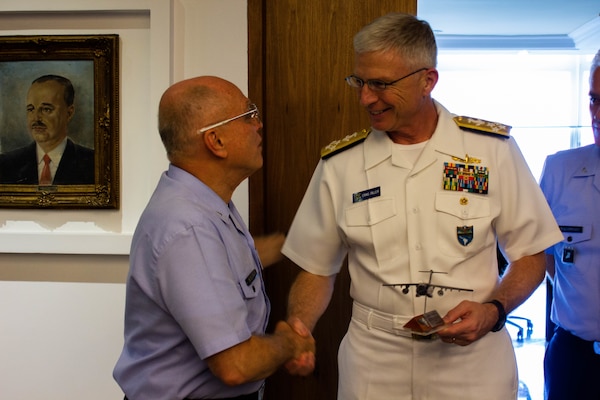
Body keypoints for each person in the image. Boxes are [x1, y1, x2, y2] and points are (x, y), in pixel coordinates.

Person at [281, 12, 563, 399]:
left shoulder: (490, 152)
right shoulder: (341, 164)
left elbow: (531, 254)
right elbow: (316, 267)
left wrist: (495, 310)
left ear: (427, 80)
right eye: (359, 81)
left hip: (472, 361)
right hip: (373, 359)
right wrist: (299, 330)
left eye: (380, 84)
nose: (365, 97)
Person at [113, 76, 315, 400]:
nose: (259, 124)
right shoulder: (189, 227)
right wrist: (290, 343)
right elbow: (236, 365)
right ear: (216, 141)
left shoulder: (202, 203)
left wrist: (292, 246)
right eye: (248, 115)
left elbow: (223, 266)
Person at [540, 49, 600, 400]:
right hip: (574, 356)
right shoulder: (560, 169)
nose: (597, 114)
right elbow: (543, 255)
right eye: (594, 100)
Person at [0, 74, 94, 185]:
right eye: (31, 109)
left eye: (46, 109)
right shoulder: (5, 164)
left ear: (69, 113)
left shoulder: (93, 163)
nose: (36, 118)